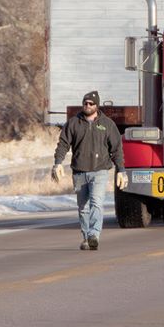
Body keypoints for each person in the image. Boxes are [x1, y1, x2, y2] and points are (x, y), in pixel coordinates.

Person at [51, 90, 126, 251]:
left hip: (100, 171)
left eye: (91, 103)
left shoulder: (107, 124)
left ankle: (94, 235)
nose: (87, 105)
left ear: (97, 106)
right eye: (85, 103)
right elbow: (63, 144)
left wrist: (121, 170)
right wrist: (57, 163)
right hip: (79, 171)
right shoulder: (73, 123)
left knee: (96, 203)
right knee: (83, 207)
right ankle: (86, 237)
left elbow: (117, 149)